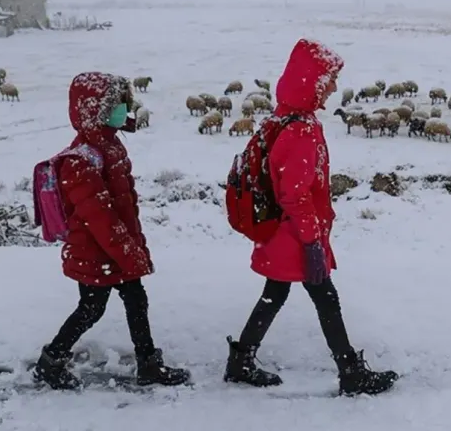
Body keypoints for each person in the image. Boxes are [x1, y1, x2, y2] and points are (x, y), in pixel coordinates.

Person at [223, 39, 398, 396]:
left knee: (276, 293)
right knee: (324, 298)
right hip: (295, 235)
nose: (334, 87)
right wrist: (311, 241)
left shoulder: (283, 117)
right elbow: (293, 194)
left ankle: (241, 360)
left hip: (279, 231)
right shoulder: (301, 129)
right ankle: (350, 373)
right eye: (329, 79)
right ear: (312, 81)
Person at [33, 72, 190, 390]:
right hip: (95, 251)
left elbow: (121, 209)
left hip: (115, 248)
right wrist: (129, 252)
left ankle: (148, 363)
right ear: (96, 111)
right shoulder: (82, 160)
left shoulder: (109, 145)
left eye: (123, 103)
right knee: (91, 308)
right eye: (116, 105)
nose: (123, 110)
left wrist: (131, 247)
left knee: (136, 300)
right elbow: (100, 217)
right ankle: (51, 362)